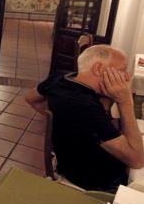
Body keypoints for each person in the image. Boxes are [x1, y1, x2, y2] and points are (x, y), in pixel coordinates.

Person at [25, 45, 144, 192]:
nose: (127, 76)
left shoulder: (60, 77)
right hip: (97, 184)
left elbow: (30, 98)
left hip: (74, 162)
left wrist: (63, 120)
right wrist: (125, 101)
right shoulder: (85, 108)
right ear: (99, 68)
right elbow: (137, 160)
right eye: (122, 70)